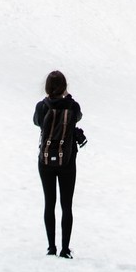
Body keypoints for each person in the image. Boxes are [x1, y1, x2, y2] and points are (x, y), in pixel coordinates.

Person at [33, 68, 85, 257]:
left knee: (49, 202)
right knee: (66, 205)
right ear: (64, 87)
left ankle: (51, 247)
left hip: (45, 160)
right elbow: (79, 117)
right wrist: (67, 97)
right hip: (67, 160)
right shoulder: (72, 106)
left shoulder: (42, 106)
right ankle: (65, 249)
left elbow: (37, 122)